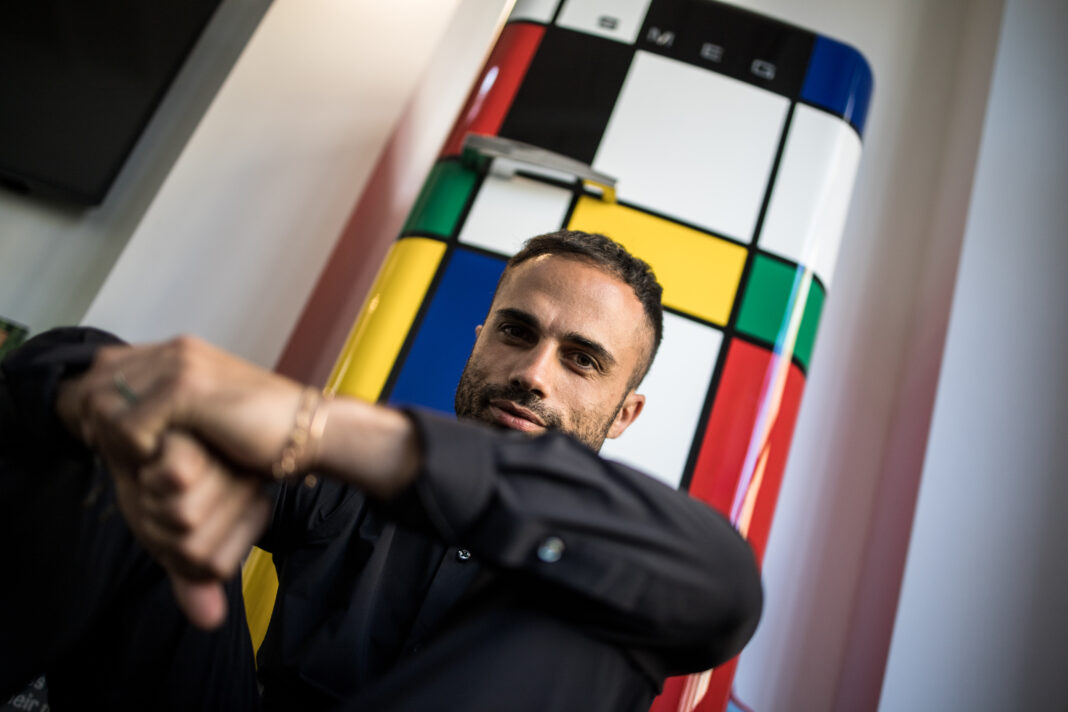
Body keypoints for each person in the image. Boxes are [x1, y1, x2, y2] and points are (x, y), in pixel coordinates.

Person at [0, 230, 762, 710]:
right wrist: (159, 424)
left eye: (582, 360)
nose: (533, 373)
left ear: (625, 413)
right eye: (515, 332)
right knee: (121, 443)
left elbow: (726, 584)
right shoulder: (343, 483)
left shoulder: (634, 571)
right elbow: (64, 363)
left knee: (607, 607)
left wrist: (328, 425)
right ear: (478, 342)